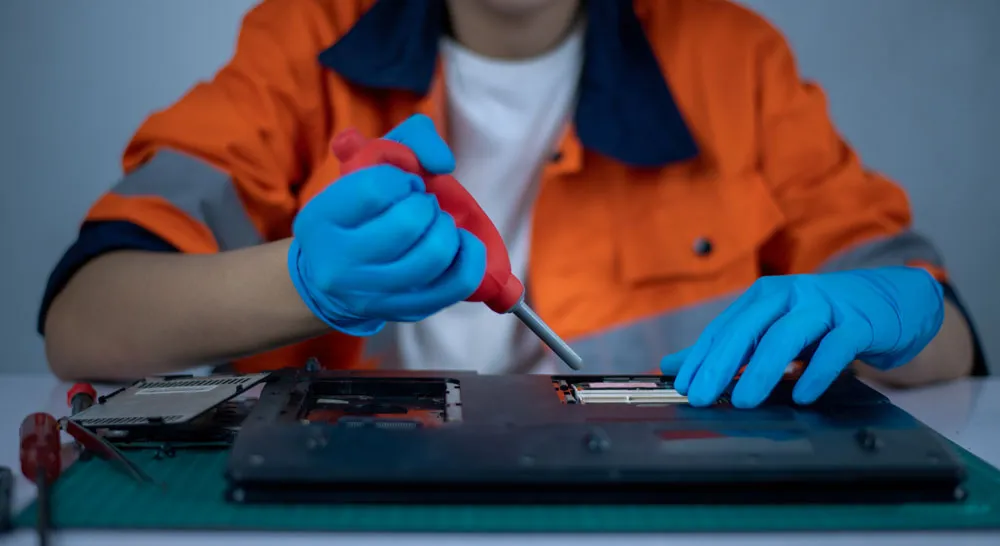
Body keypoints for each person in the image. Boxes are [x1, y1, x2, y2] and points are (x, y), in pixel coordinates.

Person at [40, 0, 986, 408]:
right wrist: (302, 281)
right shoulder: (302, 39)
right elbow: (84, 325)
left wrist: (887, 309)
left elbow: (946, 339)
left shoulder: (733, 58)